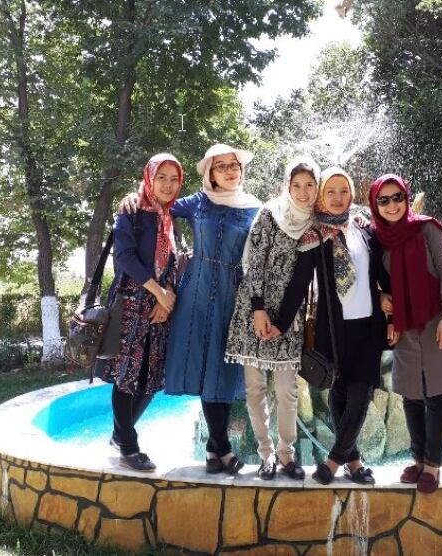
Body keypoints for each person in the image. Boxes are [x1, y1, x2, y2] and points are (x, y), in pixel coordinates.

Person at [271, 167, 387, 485]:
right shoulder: (315, 236)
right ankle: (355, 462)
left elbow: (381, 273)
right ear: (322, 195)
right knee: (339, 394)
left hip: (368, 328)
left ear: (352, 194)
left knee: (361, 395)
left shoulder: (365, 231)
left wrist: (389, 299)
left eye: (343, 191)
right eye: (331, 191)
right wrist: (281, 322)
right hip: (333, 331)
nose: (337, 198)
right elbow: (298, 284)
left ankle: (334, 462)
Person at [368, 173, 442, 493]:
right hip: (404, 324)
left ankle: (433, 465)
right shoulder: (378, 238)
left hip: (434, 320)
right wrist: (380, 296)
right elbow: (377, 281)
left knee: (436, 394)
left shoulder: (427, 228)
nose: (391, 205)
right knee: (411, 394)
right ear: (375, 204)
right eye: (383, 200)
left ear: (405, 197)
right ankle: (417, 459)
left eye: (397, 197)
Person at [162, 143, 260, 475]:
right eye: (222, 166)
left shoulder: (256, 209)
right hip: (196, 295)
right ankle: (221, 449)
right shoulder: (197, 203)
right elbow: (160, 204)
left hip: (234, 294)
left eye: (235, 165)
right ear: (210, 174)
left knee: (223, 369)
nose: (231, 170)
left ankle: (215, 448)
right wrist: (135, 198)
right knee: (205, 369)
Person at [225, 156, 320, 481]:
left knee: (286, 390)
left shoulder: (314, 226)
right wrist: (258, 309)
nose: (304, 192)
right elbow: (253, 261)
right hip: (255, 308)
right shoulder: (270, 213)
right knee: (254, 389)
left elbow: (303, 278)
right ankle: (265, 455)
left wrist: (281, 320)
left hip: (288, 317)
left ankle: (286, 455)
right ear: (287, 186)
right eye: (297, 185)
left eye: (310, 185)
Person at [97, 153, 183, 472]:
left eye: (174, 179)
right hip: (132, 305)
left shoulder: (170, 218)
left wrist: (166, 298)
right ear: (149, 178)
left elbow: (174, 263)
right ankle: (129, 448)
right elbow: (125, 259)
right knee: (126, 376)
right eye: (161, 177)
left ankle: (120, 434)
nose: (168, 185)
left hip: (159, 310)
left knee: (150, 378)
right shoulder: (132, 212)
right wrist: (158, 292)